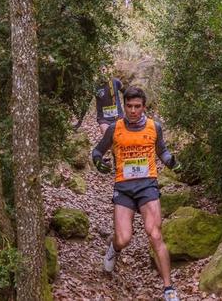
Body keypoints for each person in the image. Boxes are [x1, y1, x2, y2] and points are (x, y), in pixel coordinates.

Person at [91, 86, 182, 301]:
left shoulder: (154, 127)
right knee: (124, 238)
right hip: (123, 188)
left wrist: (171, 162)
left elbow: (162, 151)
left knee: (155, 234)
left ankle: (169, 288)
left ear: (143, 107)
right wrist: (98, 162)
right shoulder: (114, 128)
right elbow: (97, 151)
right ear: (125, 106)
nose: (133, 110)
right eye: (129, 106)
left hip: (147, 186)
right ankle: (114, 247)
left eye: (137, 106)